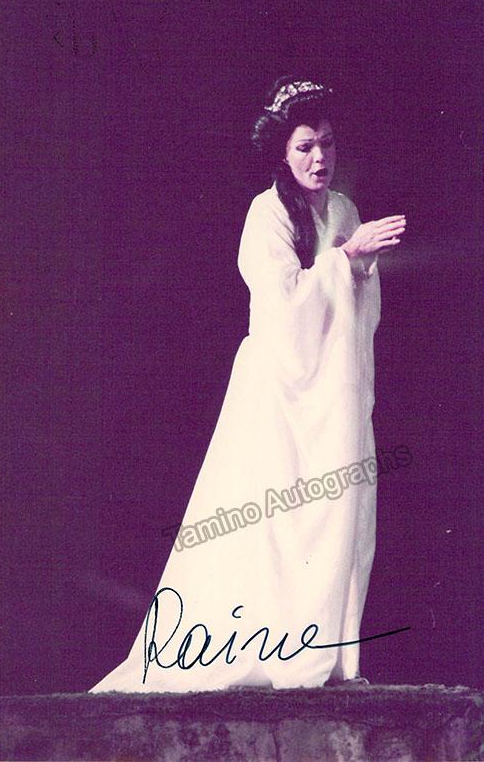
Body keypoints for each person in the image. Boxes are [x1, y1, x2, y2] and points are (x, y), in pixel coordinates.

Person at [88, 76, 406, 693]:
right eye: (305, 146)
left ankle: (326, 655)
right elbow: (282, 310)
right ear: (283, 153)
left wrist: (359, 266)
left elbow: (357, 309)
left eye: (328, 144)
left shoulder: (343, 211)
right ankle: (272, 652)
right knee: (272, 519)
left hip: (331, 393)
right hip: (279, 393)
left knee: (337, 512)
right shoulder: (267, 214)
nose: (319, 158)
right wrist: (345, 260)